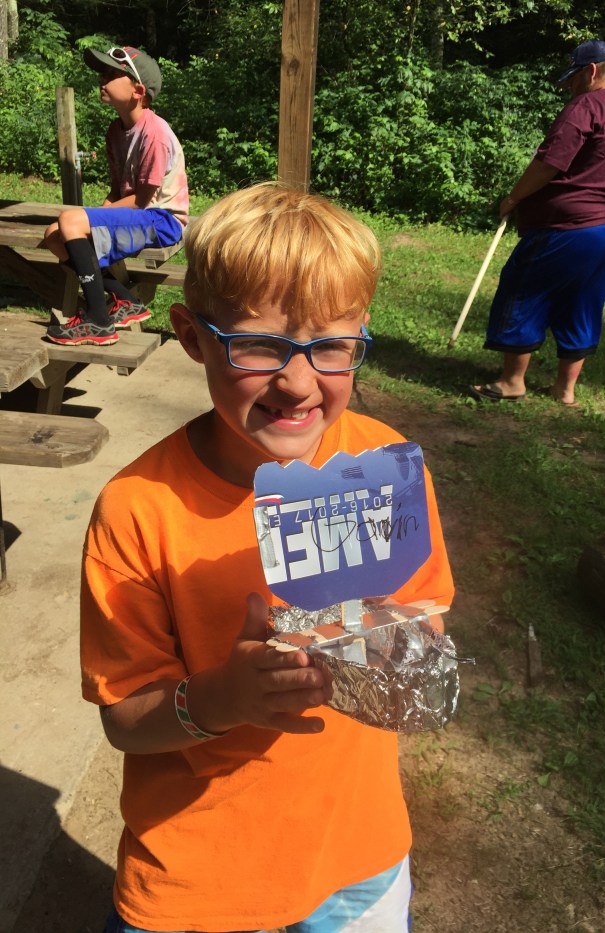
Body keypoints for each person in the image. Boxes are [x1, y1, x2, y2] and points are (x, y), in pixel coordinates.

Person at [80, 182, 455, 933]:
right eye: (257, 344)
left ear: (360, 338)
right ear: (192, 336)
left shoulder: (382, 464)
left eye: (331, 346)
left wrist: (387, 645)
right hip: (198, 878)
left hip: (357, 856)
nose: (297, 382)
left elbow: (428, 617)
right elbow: (125, 718)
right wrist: (223, 698)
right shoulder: (138, 509)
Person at [467, 39, 605, 406]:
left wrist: (514, 198)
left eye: (573, 78)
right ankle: (565, 390)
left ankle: (512, 382)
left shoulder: (587, 106)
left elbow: (550, 162)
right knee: (583, 299)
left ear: (591, 71)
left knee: (523, 289)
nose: (569, 87)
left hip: (565, 225)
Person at [43, 45, 189, 346]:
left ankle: (99, 320)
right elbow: (118, 191)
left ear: (138, 91)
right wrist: (89, 218)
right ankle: (125, 299)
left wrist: (85, 219)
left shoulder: (155, 133)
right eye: (103, 74)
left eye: (111, 75)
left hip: (163, 220)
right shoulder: (115, 131)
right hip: (140, 214)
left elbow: (141, 200)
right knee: (55, 235)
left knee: (70, 222)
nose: (102, 80)